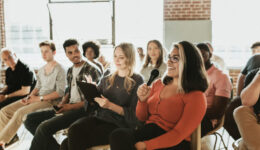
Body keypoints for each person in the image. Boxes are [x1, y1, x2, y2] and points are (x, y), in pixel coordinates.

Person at [109, 41, 208, 150]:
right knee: (118, 135)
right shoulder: (158, 84)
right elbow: (141, 118)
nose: (169, 62)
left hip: (172, 143)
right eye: (169, 57)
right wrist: (142, 101)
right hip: (148, 132)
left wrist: (147, 145)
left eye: (175, 58)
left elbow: (178, 134)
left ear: (189, 63)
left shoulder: (196, 96)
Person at [60, 43, 144, 150]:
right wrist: (91, 90)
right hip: (99, 118)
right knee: (73, 129)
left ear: (130, 58)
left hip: (117, 124)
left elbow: (135, 116)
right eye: (115, 56)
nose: (117, 60)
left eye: (121, 57)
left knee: (66, 145)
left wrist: (110, 106)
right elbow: (92, 104)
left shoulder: (137, 80)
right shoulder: (108, 75)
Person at [25, 39, 102, 150]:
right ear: (66, 54)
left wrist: (69, 107)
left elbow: (94, 100)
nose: (74, 55)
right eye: (70, 53)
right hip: (68, 107)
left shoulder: (92, 70)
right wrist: (62, 103)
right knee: (29, 120)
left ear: (81, 51)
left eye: (76, 51)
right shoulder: (70, 70)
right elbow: (69, 90)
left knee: (43, 128)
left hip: (83, 111)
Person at [0, 41, 66, 149]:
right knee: (4, 111)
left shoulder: (60, 69)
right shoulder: (41, 69)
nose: (43, 54)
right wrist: (29, 97)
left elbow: (60, 92)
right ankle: (8, 139)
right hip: (37, 98)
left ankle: (1, 141)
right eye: (42, 52)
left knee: (20, 113)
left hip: (50, 101)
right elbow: (37, 87)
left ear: (54, 52)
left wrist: (38, 98)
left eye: (46, 51)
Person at [224, 42, 260, 140]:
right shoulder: (255, 60)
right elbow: (241, 77)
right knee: (238, 111)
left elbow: (241, 77)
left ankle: (243, 141)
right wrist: (238, 96)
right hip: (250, 95)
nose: (255, 52)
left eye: (257, 50)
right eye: (253, 51)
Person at [197, 43, 232, 136]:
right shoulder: (194, 75)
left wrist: (192, 112)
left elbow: (217, 111)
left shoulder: (221, 77)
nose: (200, 57)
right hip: (192, 115)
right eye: (197, 55)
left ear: (210, 55)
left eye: (203, 54)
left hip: (207, 120)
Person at [234, 68, 260, 150]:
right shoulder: (253, 75)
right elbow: (246, 102)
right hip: (256, 124)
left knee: (243, 146)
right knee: (240, 111)